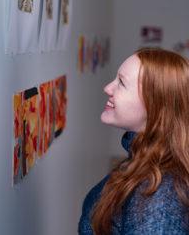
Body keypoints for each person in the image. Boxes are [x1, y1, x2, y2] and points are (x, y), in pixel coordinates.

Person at [78, 47, 189, 235]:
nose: (107, 88)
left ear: (155, 105)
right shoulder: (143, 160)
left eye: (121, 82)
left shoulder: (159, 194)